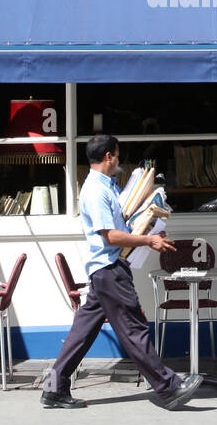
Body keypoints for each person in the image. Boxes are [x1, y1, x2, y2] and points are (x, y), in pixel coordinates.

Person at [40, 134, 203, 410]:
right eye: (117, 155)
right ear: (108, 157)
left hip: (105, 271)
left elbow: (122, 226)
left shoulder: (107, 187)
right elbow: (111, 237)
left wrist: (148, 227)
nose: (119, 161)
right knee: (133, 328)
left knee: (83, 332)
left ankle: (54, 389)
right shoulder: (96, 191)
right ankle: (169, 388)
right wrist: (149, 241)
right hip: (109, 268)